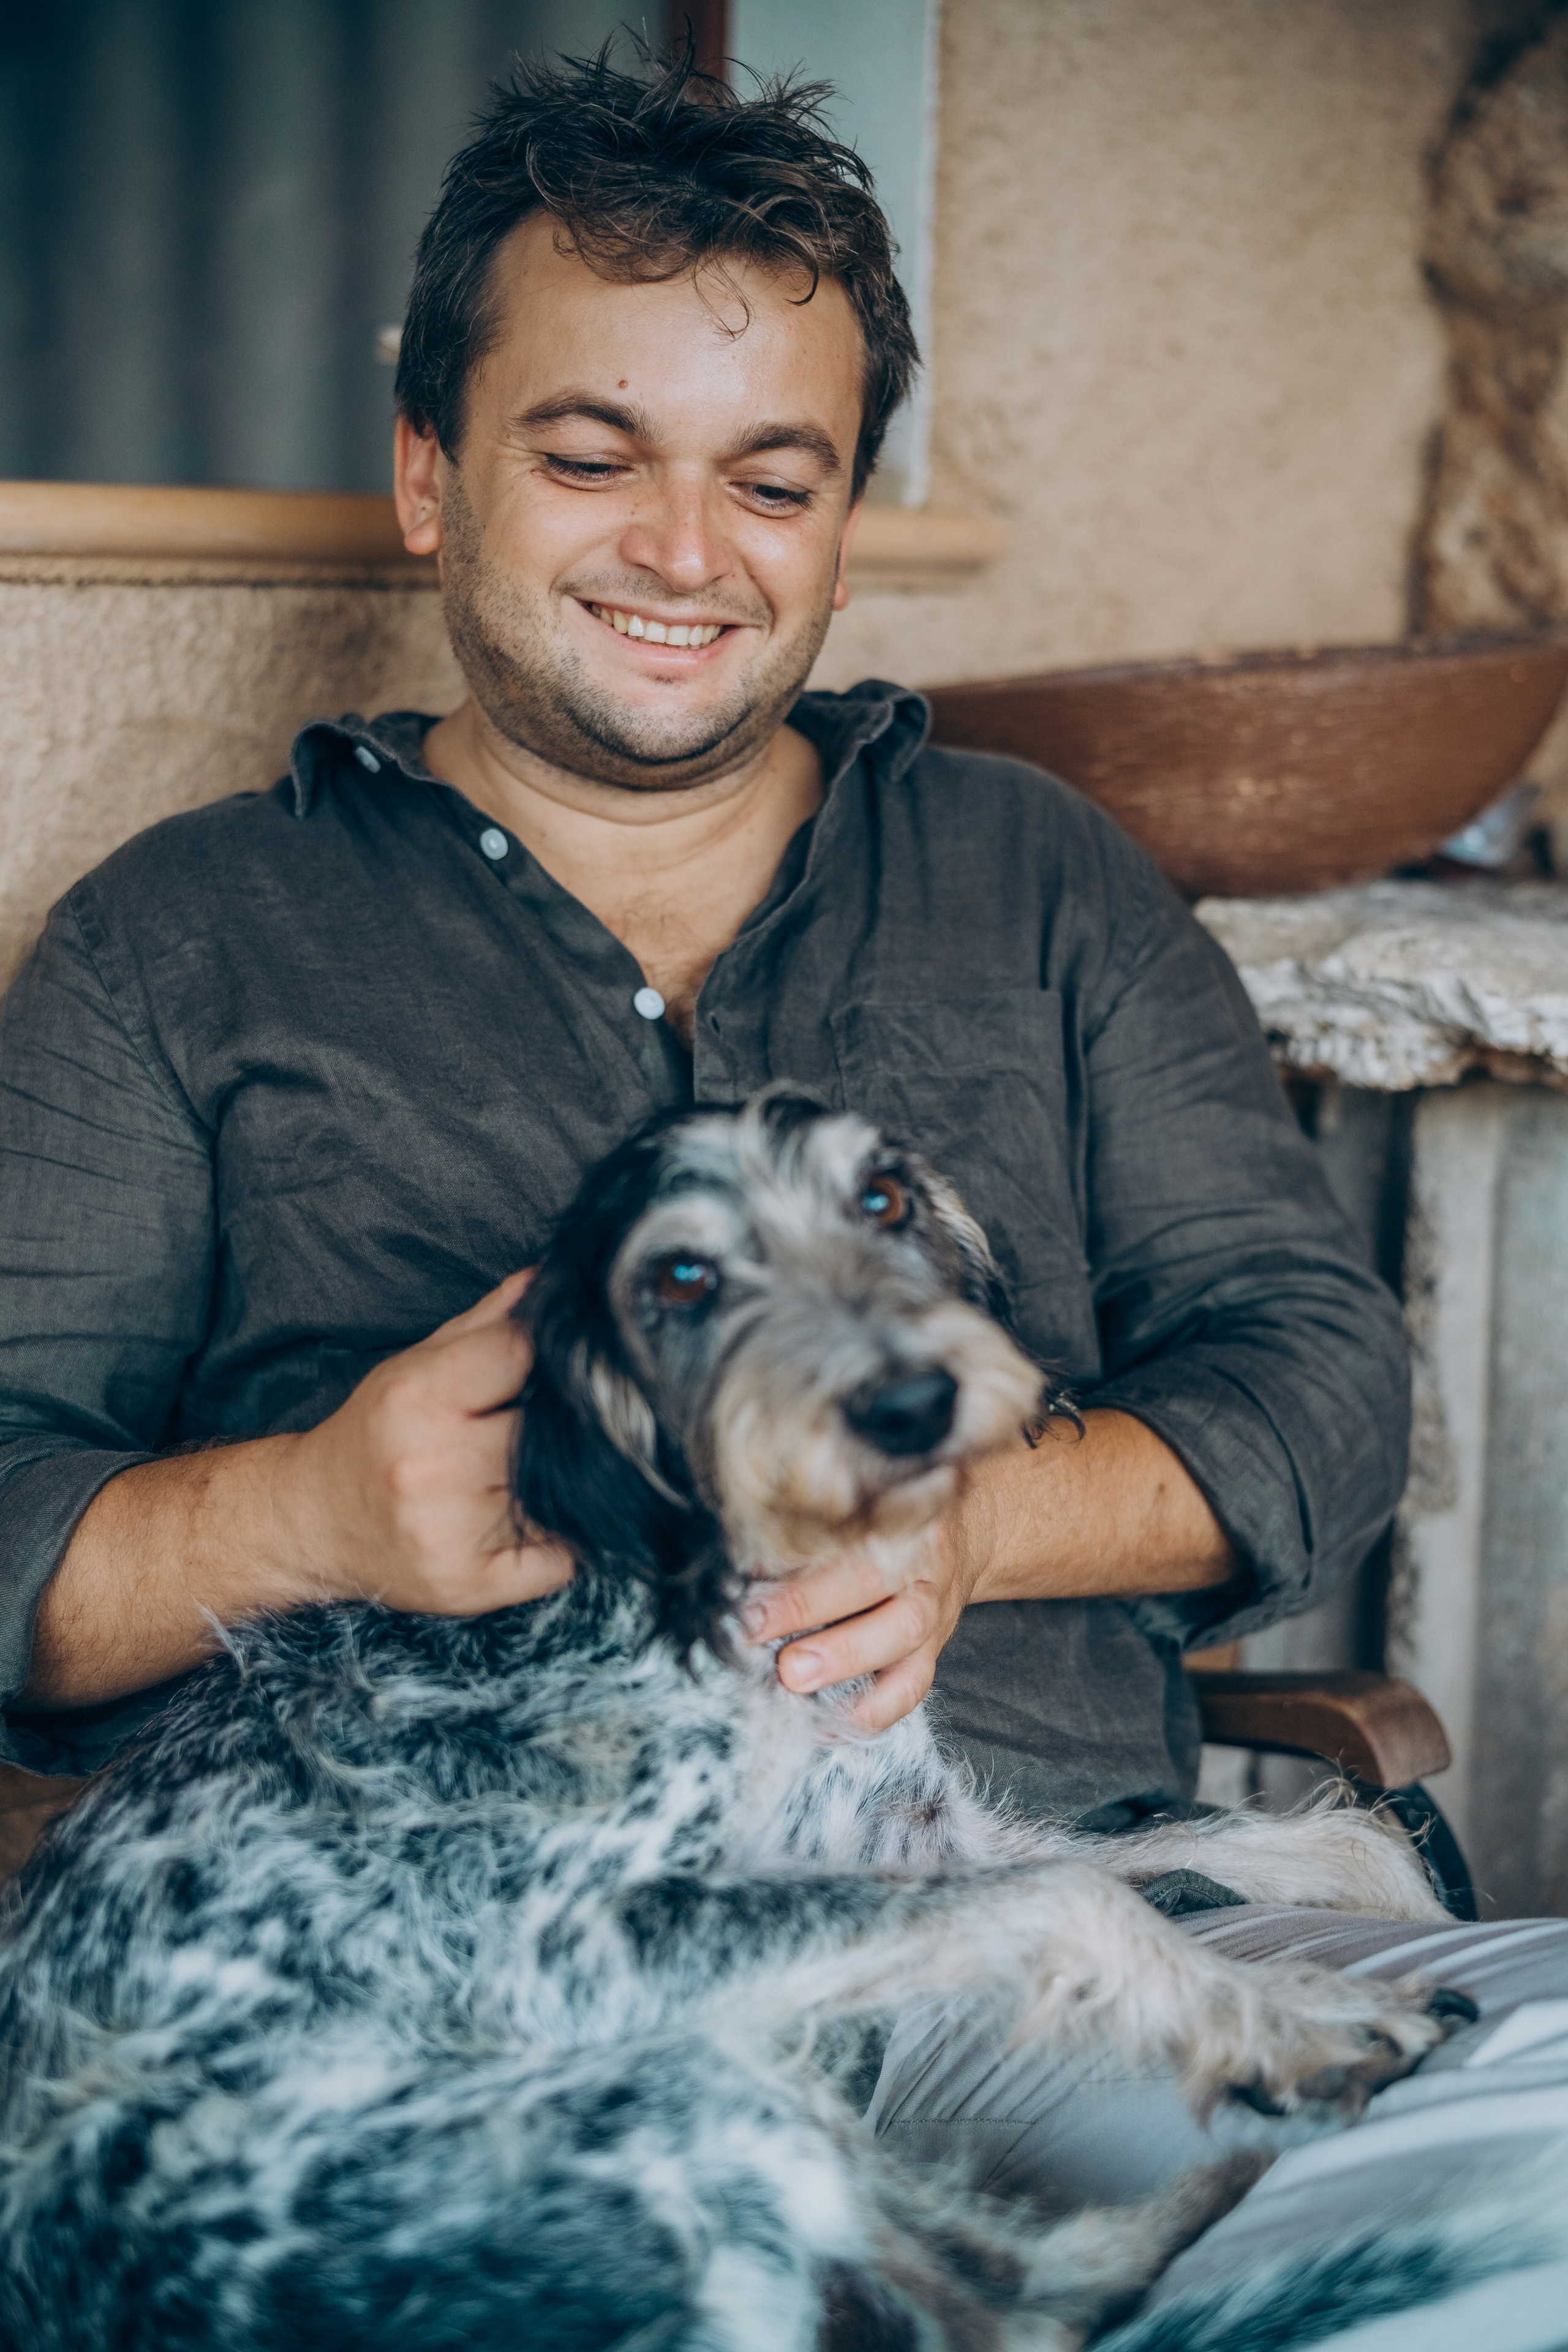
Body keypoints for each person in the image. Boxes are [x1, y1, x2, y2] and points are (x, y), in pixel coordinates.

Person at [24, 57, 1567, 2299]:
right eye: (591, 455)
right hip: (486, 1986)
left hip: (1060, 1888)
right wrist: (307, 1515)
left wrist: (969, 1527)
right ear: (428, 476)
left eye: (776, 475)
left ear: (843, 518)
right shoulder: (178, 939)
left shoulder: (1035, 874)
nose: (686, 549)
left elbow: (1325, 1381)